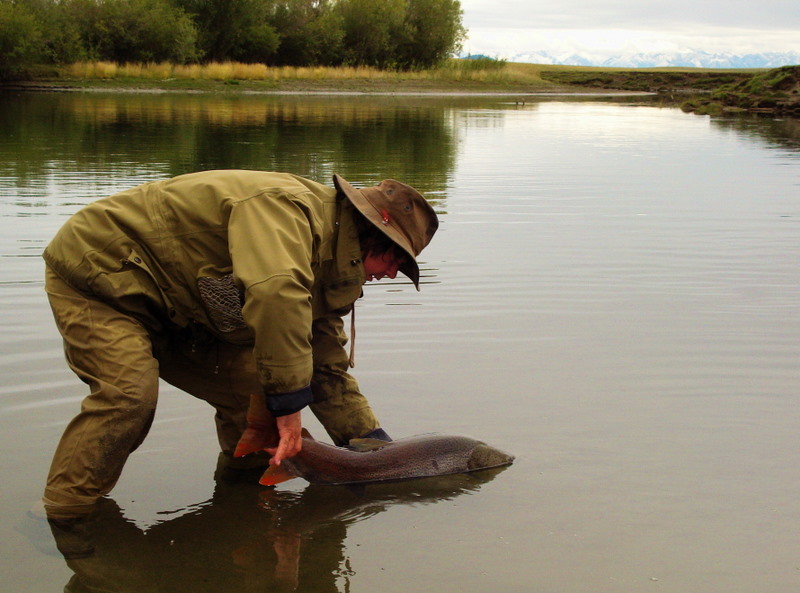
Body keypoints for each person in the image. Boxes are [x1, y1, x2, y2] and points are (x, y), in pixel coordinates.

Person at [40, 170, 439, 521]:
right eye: (394, 259)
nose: (391, 274)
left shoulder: (339, 267)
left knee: (255, 395)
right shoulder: (288, 212)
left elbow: (326, 365)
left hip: (185, 306)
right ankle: (65, 516)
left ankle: (241, 502)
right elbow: (276, 296)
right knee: (129, 396)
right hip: (103, 276)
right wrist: (290, 406)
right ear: (372, 232)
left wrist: (371, 446)